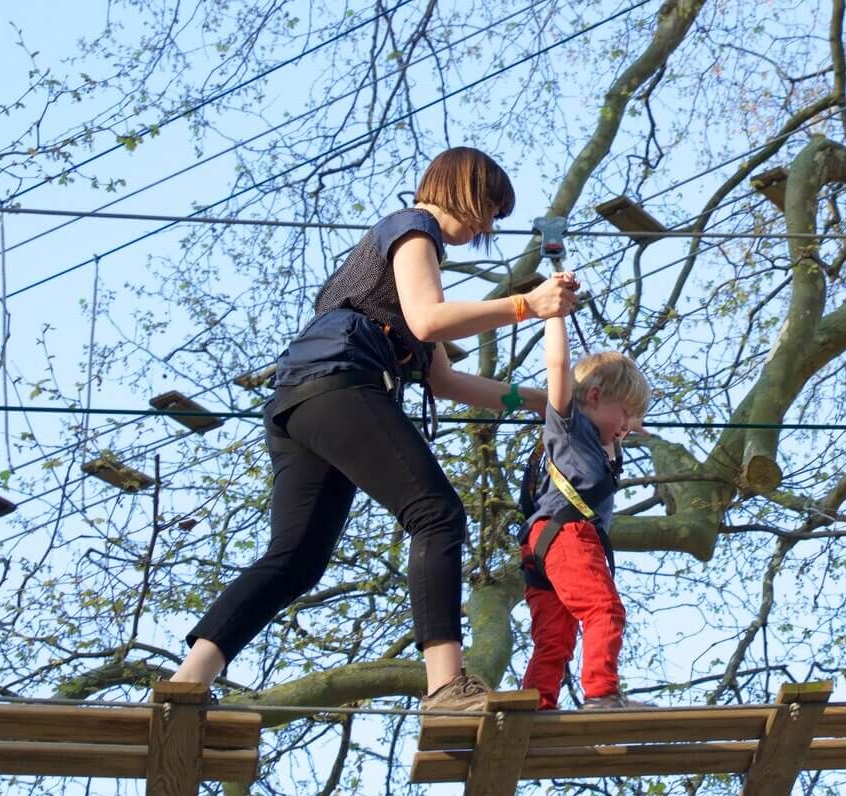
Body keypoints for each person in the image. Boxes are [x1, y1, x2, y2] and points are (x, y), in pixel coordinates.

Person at [170, 147, 578, 712]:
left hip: (300, 403)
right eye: (489, 206)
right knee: (436, 514)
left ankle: (187, 684)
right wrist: (526, 305)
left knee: (296, 559)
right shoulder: (414, 228)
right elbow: (429, 321)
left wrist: (539, 401)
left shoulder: (410, 268)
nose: (488, 224)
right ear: (461, 187)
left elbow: (444, 380)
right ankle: (446, 687)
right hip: (340, 385)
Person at [518, 310, 653, 710]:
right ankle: (601, 692)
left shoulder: (602, 442)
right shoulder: (568, 425)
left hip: (542, 545)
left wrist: (628, 420)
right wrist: (554, 313)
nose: (628, 425)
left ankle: (535, 706)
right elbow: (558, 366)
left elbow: (620, 426)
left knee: (555, 638)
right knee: (603, 609)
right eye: (625, 413)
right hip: (568, 537)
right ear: (594, 397)